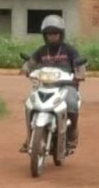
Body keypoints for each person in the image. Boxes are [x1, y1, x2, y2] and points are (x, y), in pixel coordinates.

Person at [20, 14, 87, 154]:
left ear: (61, 34)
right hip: (44, 85)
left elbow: (80, 64)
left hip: (66, 85)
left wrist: (80, 74)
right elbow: (30, 63)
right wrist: (26, 68)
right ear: (45, 35)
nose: (52, 37)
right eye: (49, 34)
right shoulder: (42, 51)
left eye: (55, 33)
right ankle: (30, 136)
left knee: (71, 102)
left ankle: (72, 134)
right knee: (29, 103)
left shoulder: (69, 50)